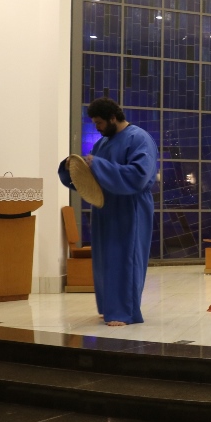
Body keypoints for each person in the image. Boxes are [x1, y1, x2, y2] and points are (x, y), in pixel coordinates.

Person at [58, 97, 158, 326]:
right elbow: (89, 179)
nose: (97, 128)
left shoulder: (139, 138)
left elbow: (139, 175)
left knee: (125, 258)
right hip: (105, 207)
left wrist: (98, 165)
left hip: (130, 207)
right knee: (106, 260)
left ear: (113, 118)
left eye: (99, 123)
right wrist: (72, 167)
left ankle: (125, 312)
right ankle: (110, 307)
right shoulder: (102, 143)